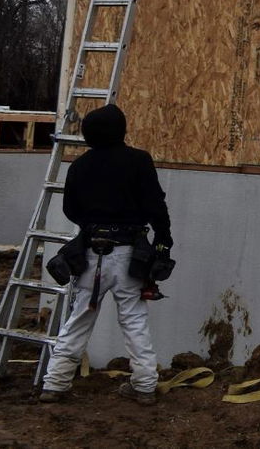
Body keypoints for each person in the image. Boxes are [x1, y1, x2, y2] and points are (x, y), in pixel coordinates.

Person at [39, 104, 173, 405]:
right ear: (121, 131)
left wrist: (94, 224)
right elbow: (155, 204)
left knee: (79, 319)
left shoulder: (79, 166)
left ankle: (55, 384)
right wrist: (164, 240)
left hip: (90, 255)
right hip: (128, 256)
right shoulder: (138, 161)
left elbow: (70, 210)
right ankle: (145, 386)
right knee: (134, 321)